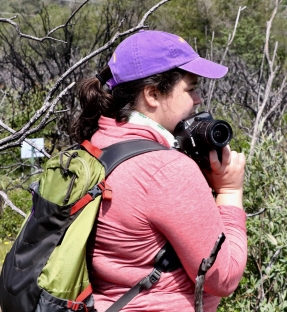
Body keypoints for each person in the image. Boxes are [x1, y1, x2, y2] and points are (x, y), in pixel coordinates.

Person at [71, 30, 247, 312]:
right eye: (190, 89)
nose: (198, 99)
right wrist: (229, 191)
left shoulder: (96, 145)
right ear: (152, 94)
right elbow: (222, 277)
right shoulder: (166, 170)